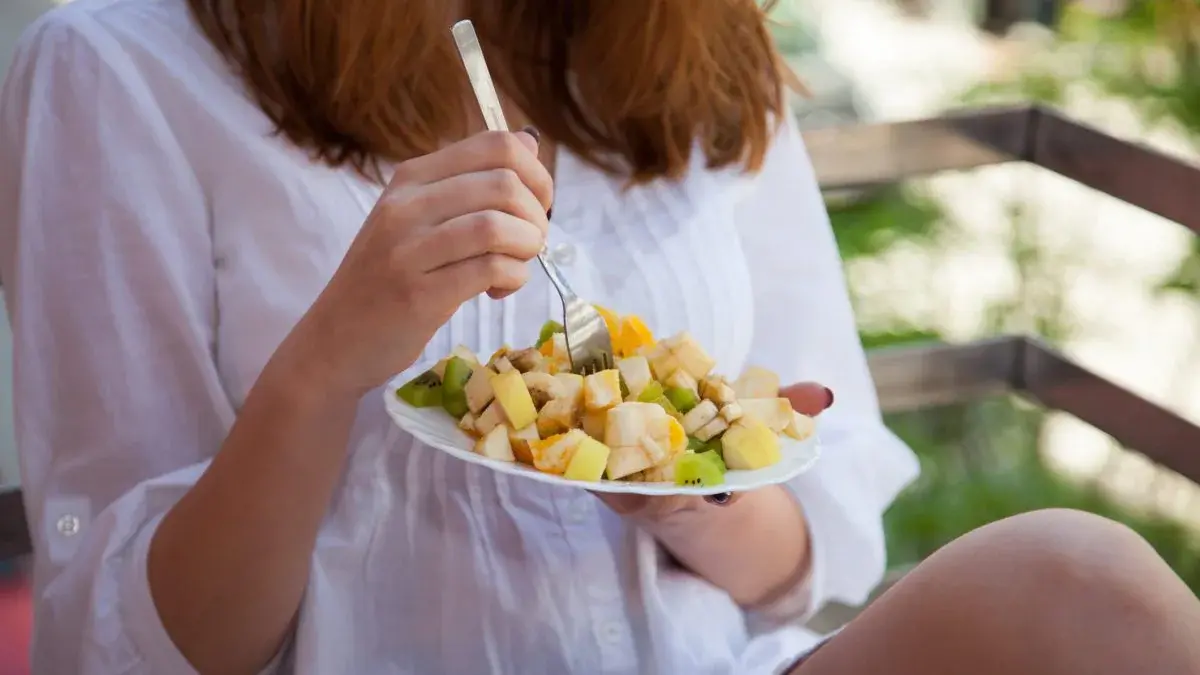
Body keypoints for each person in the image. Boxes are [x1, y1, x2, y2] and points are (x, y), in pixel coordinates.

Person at [1, 0, 1199, 673]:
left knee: (1081, 584)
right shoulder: (119, 69)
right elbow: (143, 644)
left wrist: (686, 482)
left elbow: (801, 565)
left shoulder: (684, 43)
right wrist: (325, 368)